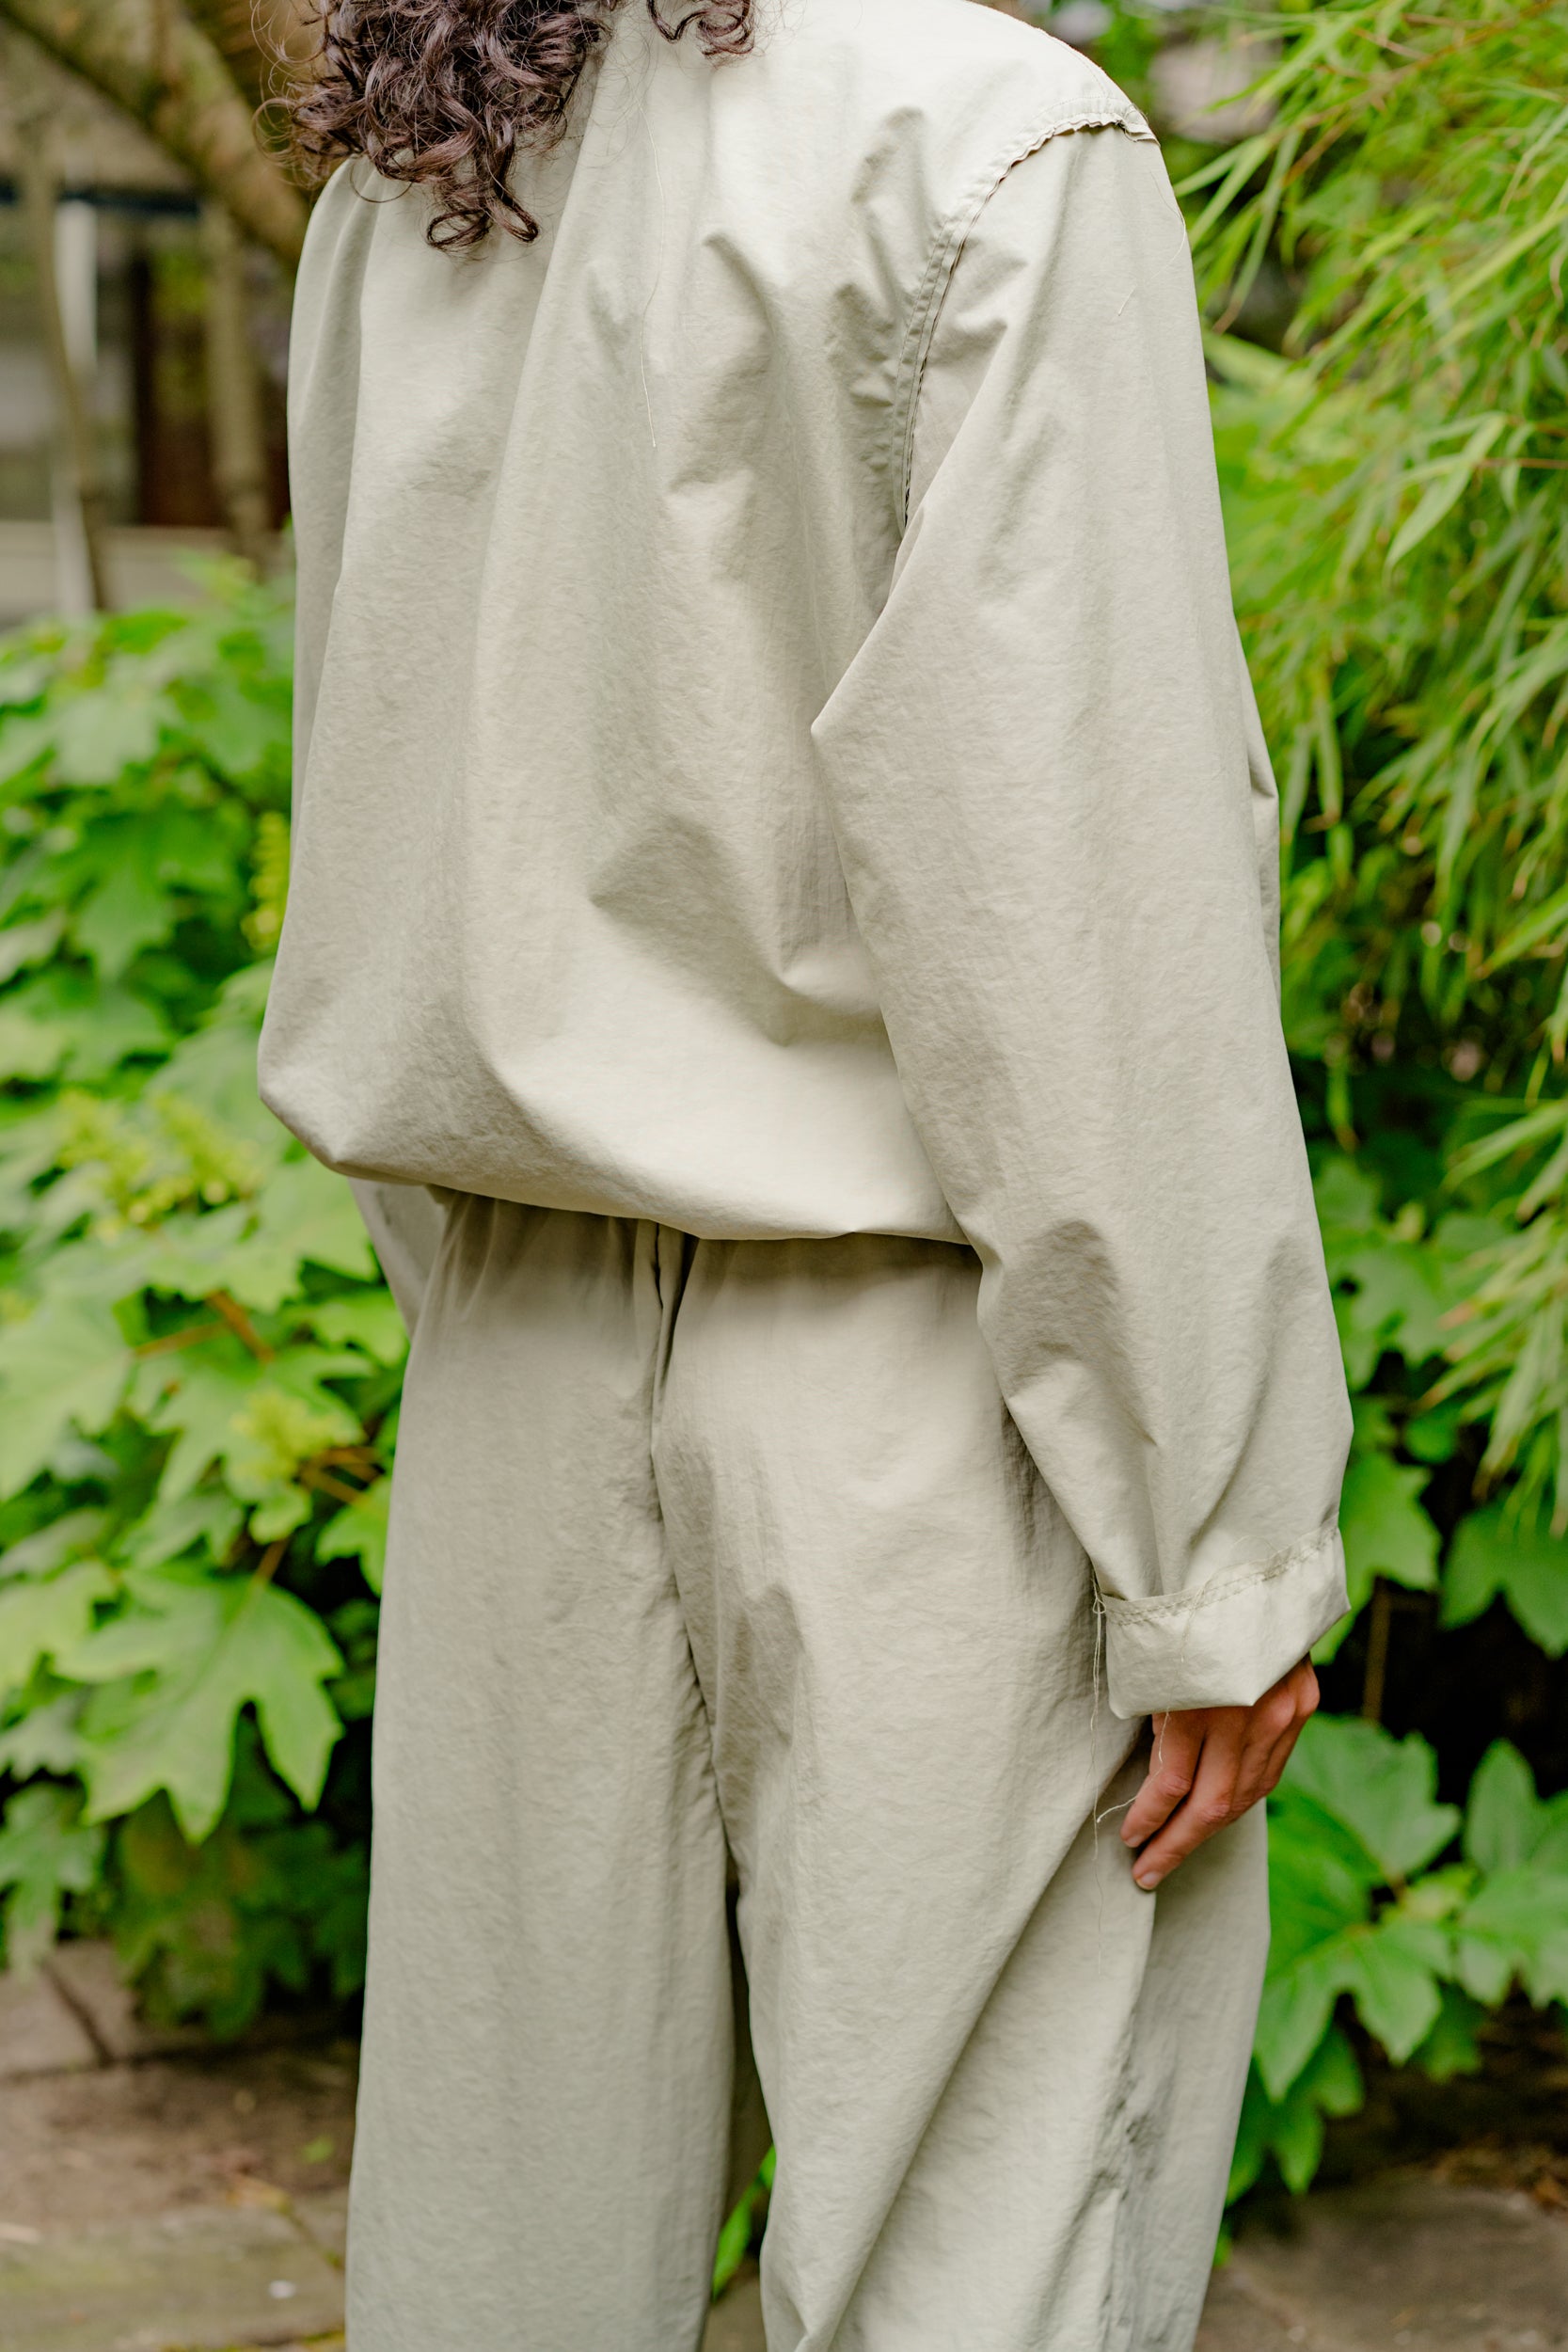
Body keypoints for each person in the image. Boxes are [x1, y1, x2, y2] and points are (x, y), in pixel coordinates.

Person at [260, 0, 1352, 2344]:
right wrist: (1214, 1543)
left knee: (506, 2276)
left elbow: (378, 792)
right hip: (920, 1398)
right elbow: (1078, 897)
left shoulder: (415, 173)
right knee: (987, 2267)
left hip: (518, 1367)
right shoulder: (994, 142)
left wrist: (508, 1260)